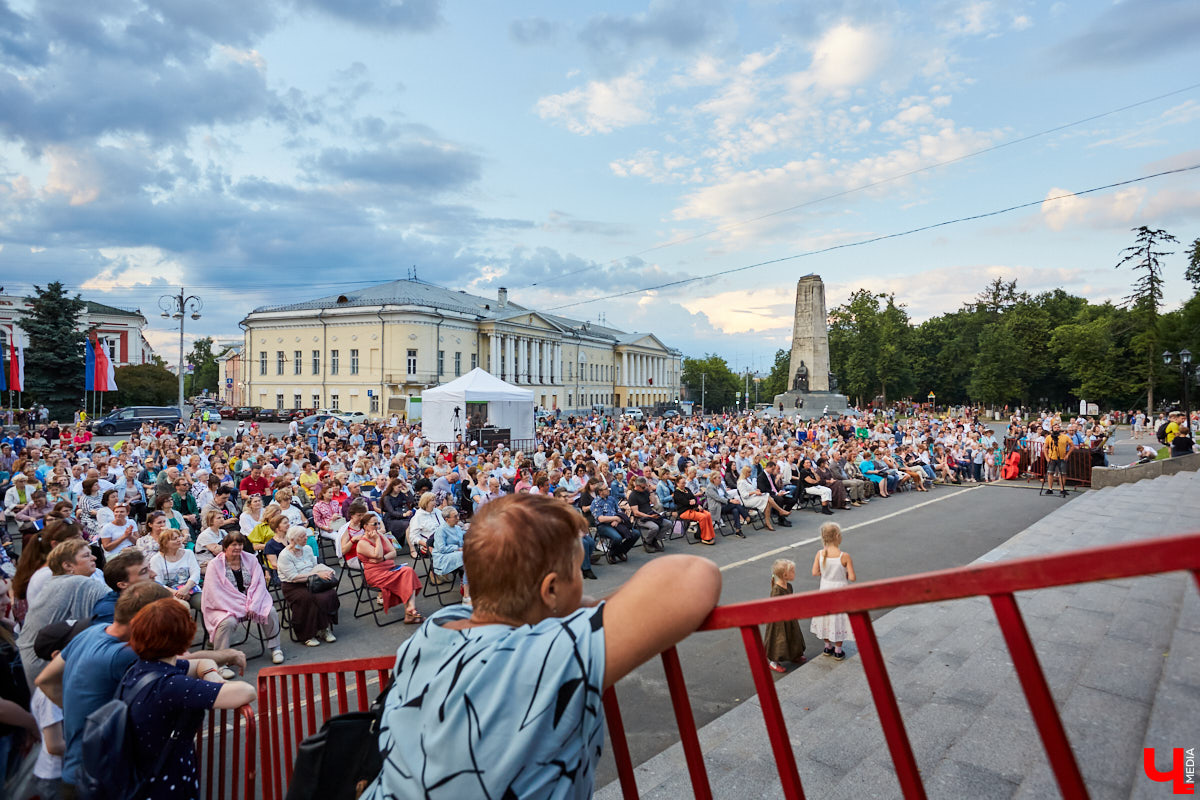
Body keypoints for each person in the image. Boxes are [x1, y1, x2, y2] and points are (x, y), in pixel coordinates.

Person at [361, 493, 721, 800]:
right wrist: (583, 608)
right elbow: (693, 575)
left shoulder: (436, 627)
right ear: (550, 590)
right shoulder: (546, 654)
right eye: (576, 572)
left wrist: (567, 603)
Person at [119, 598, 258, 800]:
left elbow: (201, 662)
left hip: (143, 776)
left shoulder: (141, 669)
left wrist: (210, 673)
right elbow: (246, 691)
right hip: (166, 787)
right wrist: (215, 683)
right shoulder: (171, 686)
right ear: (183, 638)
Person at [201, 532, 285, 665]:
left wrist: (253, 605)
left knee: (270, 612)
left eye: (240, 544)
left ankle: (276, 648)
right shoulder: (214, 565)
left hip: (251, 601)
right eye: (234, 545)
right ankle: (221, 661)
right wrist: (243, 607)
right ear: (225, 547)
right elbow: (216, 593)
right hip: (225, 605)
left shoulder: (251, 559)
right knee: (227, 622)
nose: (238, 547)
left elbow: (259, 585)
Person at [277, 526, 340, 647]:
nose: (306, 538)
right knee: (308, 598)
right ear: (293, 540)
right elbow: (293, 577)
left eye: (305, 535)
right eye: (302, 537)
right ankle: (307, 634)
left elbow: (315, 566)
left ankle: (324, 628)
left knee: (329, 594)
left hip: (313, 580)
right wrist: (316, 575)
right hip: (293, 586)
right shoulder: (285, 555)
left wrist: (325, 571)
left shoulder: (307, 549)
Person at [355, 512, 423, 623]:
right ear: (365, 526)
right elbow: (377, 554)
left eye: (378, 523)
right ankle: (410, 613)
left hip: (389, 568)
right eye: (374, 524)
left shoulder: (380, 535)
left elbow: (393, 552)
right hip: (376, 575)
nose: (377, 526)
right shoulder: (362, 543)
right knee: (405, 574)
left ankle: (410, 610)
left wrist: (383, 559)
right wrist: (377, 540)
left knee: (408, 571)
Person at [810, 522, 855, 661]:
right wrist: (844, 574)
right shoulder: (844, 556)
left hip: (825, 588)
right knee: (839, 618)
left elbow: (815, 572)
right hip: (840, 590)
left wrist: (825, 573)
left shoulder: (820, 554)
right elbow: (852, 577)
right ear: (837, 536)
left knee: (826, 616)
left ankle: (827, 646)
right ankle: (838, 650)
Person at [763, 558, 807, 673]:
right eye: (792, 571)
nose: (794, 573)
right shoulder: (777, 590)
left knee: (793, 636)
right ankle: (774, 662)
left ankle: (794, 655)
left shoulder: (789, 586)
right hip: (779, 622)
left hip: (789, 617)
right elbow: (774, 607)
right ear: (785, 575)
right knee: (779, 640)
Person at [91, 548, 155, 624]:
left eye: (149, 568)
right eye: (144, 572)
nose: (154, 574)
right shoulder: (110, 611)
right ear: (123, 584)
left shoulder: (151, 586)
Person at [149, 528, 202, 611]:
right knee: (180, 607)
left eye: (179, 537)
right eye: (174, 539)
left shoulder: (188, 553)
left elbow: (195, 573)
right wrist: (178, 593)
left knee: (204, 603)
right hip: (169, 593)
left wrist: (186, 588)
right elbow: (158, 583)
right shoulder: (156, 559)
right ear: (165, 543)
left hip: (190, 589)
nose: (179, 540)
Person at [431, 507, 467, 597]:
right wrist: (457, 548)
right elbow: (441, 549)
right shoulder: (441, 530)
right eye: (455, 516)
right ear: (446, 519)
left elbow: (462, 542)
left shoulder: (457, 528)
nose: (458, 518)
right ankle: (466, 588)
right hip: (443, 556)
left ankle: (469, 585)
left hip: (456, 554)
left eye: (458, 515)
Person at [672, 474, 714, 545]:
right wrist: (695, 504)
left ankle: (709, 535)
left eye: (684, 483)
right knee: (702, 517)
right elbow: (685, 502)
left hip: (693, 509)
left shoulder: (687, 489)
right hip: (684, 512)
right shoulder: (676, 493)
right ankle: (705, 537)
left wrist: (694, 502)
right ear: (677, 483)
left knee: (708, 514)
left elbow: (694, 498)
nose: (683, 484)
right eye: (682, 483)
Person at [1043, 421, 1072, 498]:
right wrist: (1047, 457)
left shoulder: (1065, 437)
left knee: (1062, 473)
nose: (1057, 429)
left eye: (1058, 427)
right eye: (1055, 427)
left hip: (1062, 458)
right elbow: (1045, 448)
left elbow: (1072, 446)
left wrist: (1067, 455)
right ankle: (1050, 488)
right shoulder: (1049, 437)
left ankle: (1062, 489)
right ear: (1052, 429)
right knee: (1050, 473)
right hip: (1052, 457)